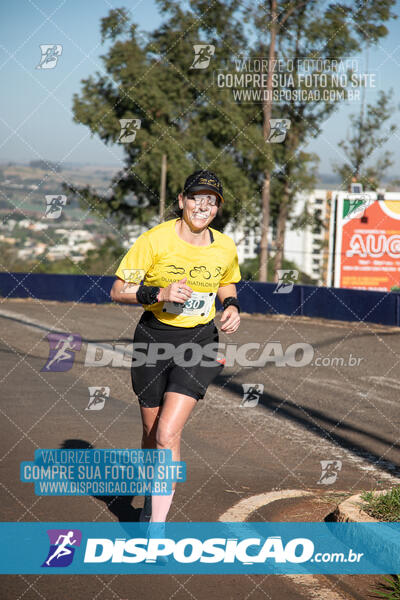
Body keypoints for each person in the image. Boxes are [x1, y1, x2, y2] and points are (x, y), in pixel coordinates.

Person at [110, 170, 241, 530]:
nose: (203, 206)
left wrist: (231, 306)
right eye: (197, 197)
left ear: (217, 208)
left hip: (199, 342)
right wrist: (159, 294)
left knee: (168, 433)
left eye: (211, 200)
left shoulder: (224, 246)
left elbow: (227, 281)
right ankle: (153, 494)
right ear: (182, 201)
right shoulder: (155, 240)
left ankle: (156, 527)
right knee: (152, 436)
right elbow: (118, 290)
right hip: (152, 341)